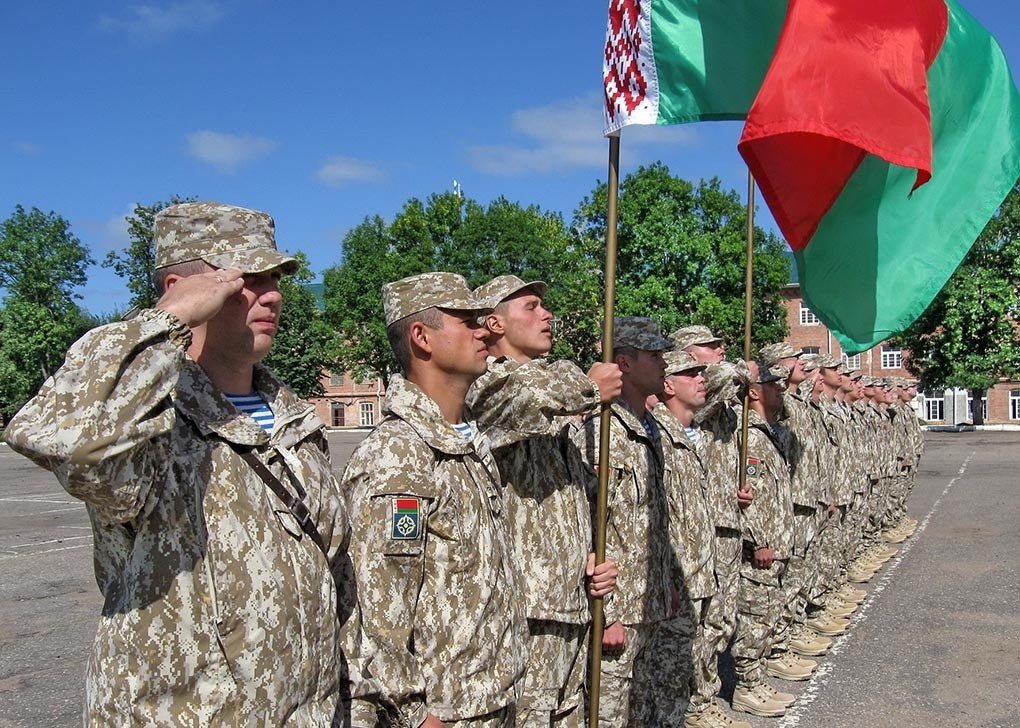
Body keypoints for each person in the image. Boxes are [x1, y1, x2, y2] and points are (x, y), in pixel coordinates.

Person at [4, 201, 353, 725]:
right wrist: (164, 322)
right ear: (182, 289)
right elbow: (61, 438)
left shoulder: (295, 422)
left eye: (275, 278)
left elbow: (336, 575)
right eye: (247, 278)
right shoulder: (146, 423)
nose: (274, 294)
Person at [340, 272, 525, 727]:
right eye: (465, 321)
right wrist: (412, 713)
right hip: (445, 714)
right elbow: (377, 608)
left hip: (492, 696)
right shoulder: (399, 455)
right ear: (421, 337)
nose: (484, 330)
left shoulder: (467, 442)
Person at [466, 275, 620, 728]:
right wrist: (588, 386)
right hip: (526, 607)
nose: (546, 314)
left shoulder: (554, 402)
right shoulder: (485, 384)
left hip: (570, 597)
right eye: (530, 306)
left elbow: (573, 499)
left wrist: (590, 554)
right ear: (493, 323)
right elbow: (518, 401)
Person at [571, 317, 677, 726]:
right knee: (610, 714)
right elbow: (590, 522)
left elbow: (651, 521)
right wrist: (607, 611)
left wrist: (665, 585)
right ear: (625, 364)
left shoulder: (648, 427)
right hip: (619, 611)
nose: (663, 363)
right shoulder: (602, 432)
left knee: (646, 708)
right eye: (654, 355)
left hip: (649, 602)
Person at [672, 326, 754, 726]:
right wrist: (739, 368)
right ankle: (698, 701)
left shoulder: (712, 398)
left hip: (719, 521)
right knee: (697, 623)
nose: (720, 351)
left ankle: (702, 696)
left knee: (719, 618)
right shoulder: (688, 393)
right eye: (709, 346)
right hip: (695, 534)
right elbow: (729, 377)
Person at [649, 349, 727, 727]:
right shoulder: (656, 435)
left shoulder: (689, 433)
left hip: (699, 568)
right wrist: (669, 578)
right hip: (676, 576)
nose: (702, 379)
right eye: (690, 373)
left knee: (691, 656)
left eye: (702, 373)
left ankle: (692, 711)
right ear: (667, 385)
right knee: (666, 672)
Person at [729, 361, 796, 718]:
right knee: (755, 616)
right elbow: (747, 493)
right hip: (763, 544)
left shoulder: (770, 431)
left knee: (769, 611)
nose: (780, 389)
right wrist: (758, 540)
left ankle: (759, 676)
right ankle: (748, 686)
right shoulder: (750, 437)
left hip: (777, 538)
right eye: (772, 384)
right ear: (754, 391)